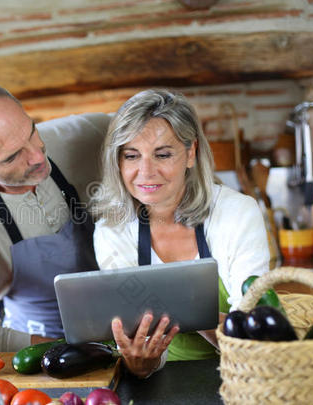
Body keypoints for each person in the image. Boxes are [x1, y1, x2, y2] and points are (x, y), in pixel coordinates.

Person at [91, 89, 269, 378]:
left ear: (190, 153)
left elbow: (252, 332)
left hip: (242, 375)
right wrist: (142, 365)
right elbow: (139, 338)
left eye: (162, 154)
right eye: (132, 155)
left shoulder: (237, 213)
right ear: (118, 161)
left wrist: (182, 308)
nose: (146, 172)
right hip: (164, 380)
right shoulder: (111, 230)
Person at [0, 82, 111, 357]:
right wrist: (77, 352)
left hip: (119, 328)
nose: (38, 156)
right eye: (12, 156)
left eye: (32, 131)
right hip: (35, 352)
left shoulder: (83, 134)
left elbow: (156, 123)